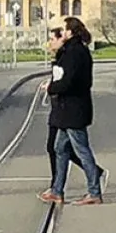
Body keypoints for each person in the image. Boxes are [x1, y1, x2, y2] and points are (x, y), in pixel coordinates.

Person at [41, 14, 104, 206]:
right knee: (59, 148)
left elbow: (69, 81)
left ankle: (94, 191)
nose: (62, 32)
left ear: (70, 32)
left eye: (65, 29)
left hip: (74, 109)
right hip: (67, 110)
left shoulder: (76, 53)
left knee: (81, 150)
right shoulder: (71, 51)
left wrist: (51, 87)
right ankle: (57, 191)